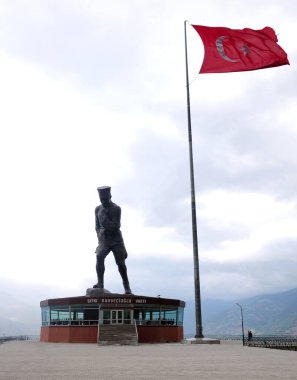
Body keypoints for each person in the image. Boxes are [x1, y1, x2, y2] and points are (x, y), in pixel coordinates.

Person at [93, 186, 132, 294]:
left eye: (105, 199)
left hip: (116, 240)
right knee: (99, 256)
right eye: (102, 200)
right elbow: (96, 225)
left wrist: (105, 219)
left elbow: (116, 226)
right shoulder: (97, 209)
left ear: (110, 196)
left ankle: (127, 287)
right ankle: (100, 283)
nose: (103, 202)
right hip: (104, 240)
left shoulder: (116, 208)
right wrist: (99, 234)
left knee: (120, 263)